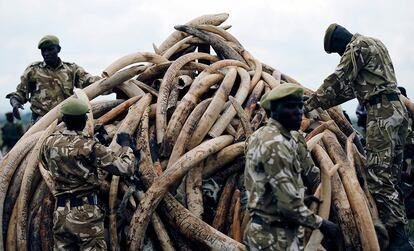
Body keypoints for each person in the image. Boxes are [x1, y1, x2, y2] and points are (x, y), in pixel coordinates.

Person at [304, 23, 413, 250]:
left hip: (381, 113)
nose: (339, 55)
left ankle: (398, 239)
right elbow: (348, 91)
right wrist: (323, 103)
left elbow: (337, 79)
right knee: (392, 176)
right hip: (396, 111)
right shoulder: (375, 44)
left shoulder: (356, 47)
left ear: (339, 42)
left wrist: (309, 104)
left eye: (337, 51)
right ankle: (398, 233)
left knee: (378, 176)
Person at [244, 83, 340, 250]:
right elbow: (288, 205)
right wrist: (322, 224)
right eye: (290, 107)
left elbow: (268, 185)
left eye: (299, 106)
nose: (298, 112)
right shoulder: (277, 144)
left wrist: (301, 199)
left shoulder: (258, 136)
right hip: (275, 238)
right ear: (273, 111)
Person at [40, 98, 135, 250]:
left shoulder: (49, 143)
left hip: (61, 213)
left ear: (63, 120)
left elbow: (45, 163)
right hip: (85, 214)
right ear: (85, 120)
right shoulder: (89, 146)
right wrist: (125, 146)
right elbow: (124, 168)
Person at [6, 35, 100, 124]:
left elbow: (91, 83)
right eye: (43, 50)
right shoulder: (33, 70)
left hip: (66, 122)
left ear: (58, 49)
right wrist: (15, 103)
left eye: (50, 49)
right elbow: (21, 93)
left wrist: (111, 84)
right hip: (40, 122)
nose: (46, 53)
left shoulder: (71, 69)